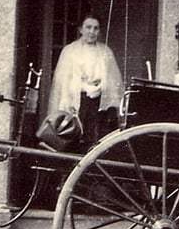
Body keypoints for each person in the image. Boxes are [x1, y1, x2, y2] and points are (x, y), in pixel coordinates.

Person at [47, 14, 123, 148]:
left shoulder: (105, 51)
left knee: (95, 138)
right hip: (76, 100)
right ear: (80, 29)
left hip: (98, 103)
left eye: (96, 28)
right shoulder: (70, 51)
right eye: (88, 27)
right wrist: (84, 87)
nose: (92, 32)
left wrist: (101, 86)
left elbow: (113, 80)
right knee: (73, 137)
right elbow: (63, 81)